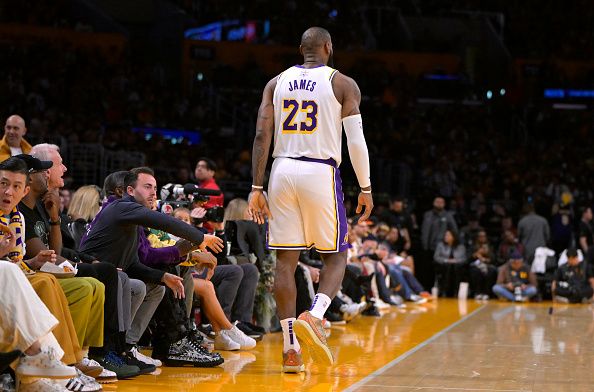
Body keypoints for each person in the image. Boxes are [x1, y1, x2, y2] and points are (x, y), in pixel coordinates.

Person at [248, 27, 373, 372]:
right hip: (319, 169)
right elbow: (356, 142)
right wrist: (365, 187)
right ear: (329, 48)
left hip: (281, 170)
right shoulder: (342, 84)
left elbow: (261, 134)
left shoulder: (275, 83)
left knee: (285, 262)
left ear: (300, 49)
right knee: (337, 255)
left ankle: (291, 350)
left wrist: (256, 188)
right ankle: (315, 315)